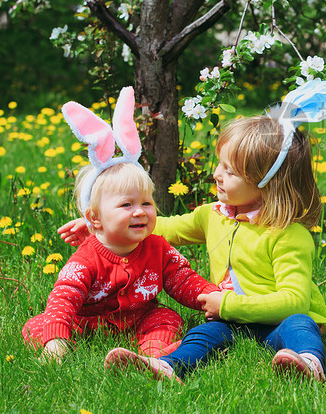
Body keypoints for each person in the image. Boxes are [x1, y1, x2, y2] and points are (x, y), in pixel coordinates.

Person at [59, 79, 326, 382]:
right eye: (220, 164)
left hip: (278, 321)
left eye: (230, 171)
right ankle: (168, 366)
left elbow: (295, 300)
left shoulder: (288, 236)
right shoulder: (213, 216)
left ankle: (308, 363)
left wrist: (228, 304)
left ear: (268, 183)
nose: (216, 174)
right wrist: (102, 229)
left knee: (300, 325)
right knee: (203, 334)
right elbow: (163, 228)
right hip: (232, 319)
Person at [23, 87, 218, 364]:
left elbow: (182, 279)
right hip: (87, 322)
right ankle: (62, 348)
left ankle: (152, 355)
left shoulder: (157, 248)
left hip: (140, 317)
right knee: (39, 325)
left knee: (166, 317)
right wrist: (56, 338)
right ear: (95, 219)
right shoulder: (86, 258)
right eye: (126, 205)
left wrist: (211, 297)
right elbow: (64, 297)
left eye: (147, 203)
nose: (139, 212)